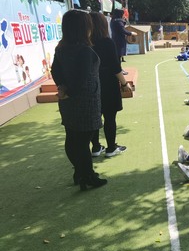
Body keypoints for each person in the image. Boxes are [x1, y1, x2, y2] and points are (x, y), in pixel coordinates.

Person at [50, 10, 107, 190]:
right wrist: (70, 92)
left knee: (72, 138)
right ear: (83, 28)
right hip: (85, 101)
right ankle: (87, 176)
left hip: (68, 101)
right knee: (83, 142)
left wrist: (62, 89)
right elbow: (82, 79)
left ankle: (80, 172)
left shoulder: (61, 48)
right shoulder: (84, 51)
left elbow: (55, 71)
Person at [89, 12, 131, 158]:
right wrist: (124, 83)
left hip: (91, 84)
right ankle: (111, 148)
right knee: (109, 117)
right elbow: (115, 67)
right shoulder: (107, 42)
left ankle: (95, 147)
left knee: (95, 116)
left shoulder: (85, 43)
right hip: (108, 83)